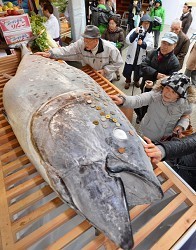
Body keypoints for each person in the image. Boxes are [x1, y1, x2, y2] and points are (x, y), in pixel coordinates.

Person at [110, 72, 195, 142]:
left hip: (166, 137)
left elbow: (186, 115)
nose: (167, 93)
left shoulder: (186, 104)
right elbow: (138, 100)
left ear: (180, 96)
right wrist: (123, 100)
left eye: (173, 92)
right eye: (167, 88)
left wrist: (181, 125)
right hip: (147, 132)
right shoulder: (155, 95)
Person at [35, 25, 123, 82]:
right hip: (90, 76)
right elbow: (67, 51)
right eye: (84, 40)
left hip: (105, 78)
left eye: (88, 41)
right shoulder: (81, 44)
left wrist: (105, 70)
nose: (85, 43)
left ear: (96, 40)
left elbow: (118, 62)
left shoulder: (110, 49)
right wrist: (51, 53)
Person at [135, 31, 180, 123]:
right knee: (142, 102)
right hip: (145, 84)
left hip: (158, 90)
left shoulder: (175, 63)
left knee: (152, 105)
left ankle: (147, 119)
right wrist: (156, 74)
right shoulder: (152, 53)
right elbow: (143, 66)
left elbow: (171, 81)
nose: (164, 46)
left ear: (174, 45)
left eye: (169, 44)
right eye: (163, 43)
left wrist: (159, 81)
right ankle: (140, 115)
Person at [123, 14, 153, 89]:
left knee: (138, 70)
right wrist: (135, 33)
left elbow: (150, 46)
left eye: (148, 23)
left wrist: (143, 43)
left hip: (140, 56)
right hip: (132, 55)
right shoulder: (134, 30)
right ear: (141, 23)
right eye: (144, 23)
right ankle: (128, 81)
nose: (146, 25)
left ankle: (136, 80)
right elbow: (128, 40)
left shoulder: (149, 34)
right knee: (128, 69)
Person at [101, 15, 124, 80]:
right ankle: (109, 76)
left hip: (116, 51)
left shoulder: (120, 32)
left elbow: (122, 43)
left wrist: (115, 45)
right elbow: (102, 40)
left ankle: (117, 73)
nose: (111, 25)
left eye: (112, 23)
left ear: (116, 24)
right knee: (108, 63)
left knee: (115, 63)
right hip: (107, 51)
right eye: (110, 23)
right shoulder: (106, 31)